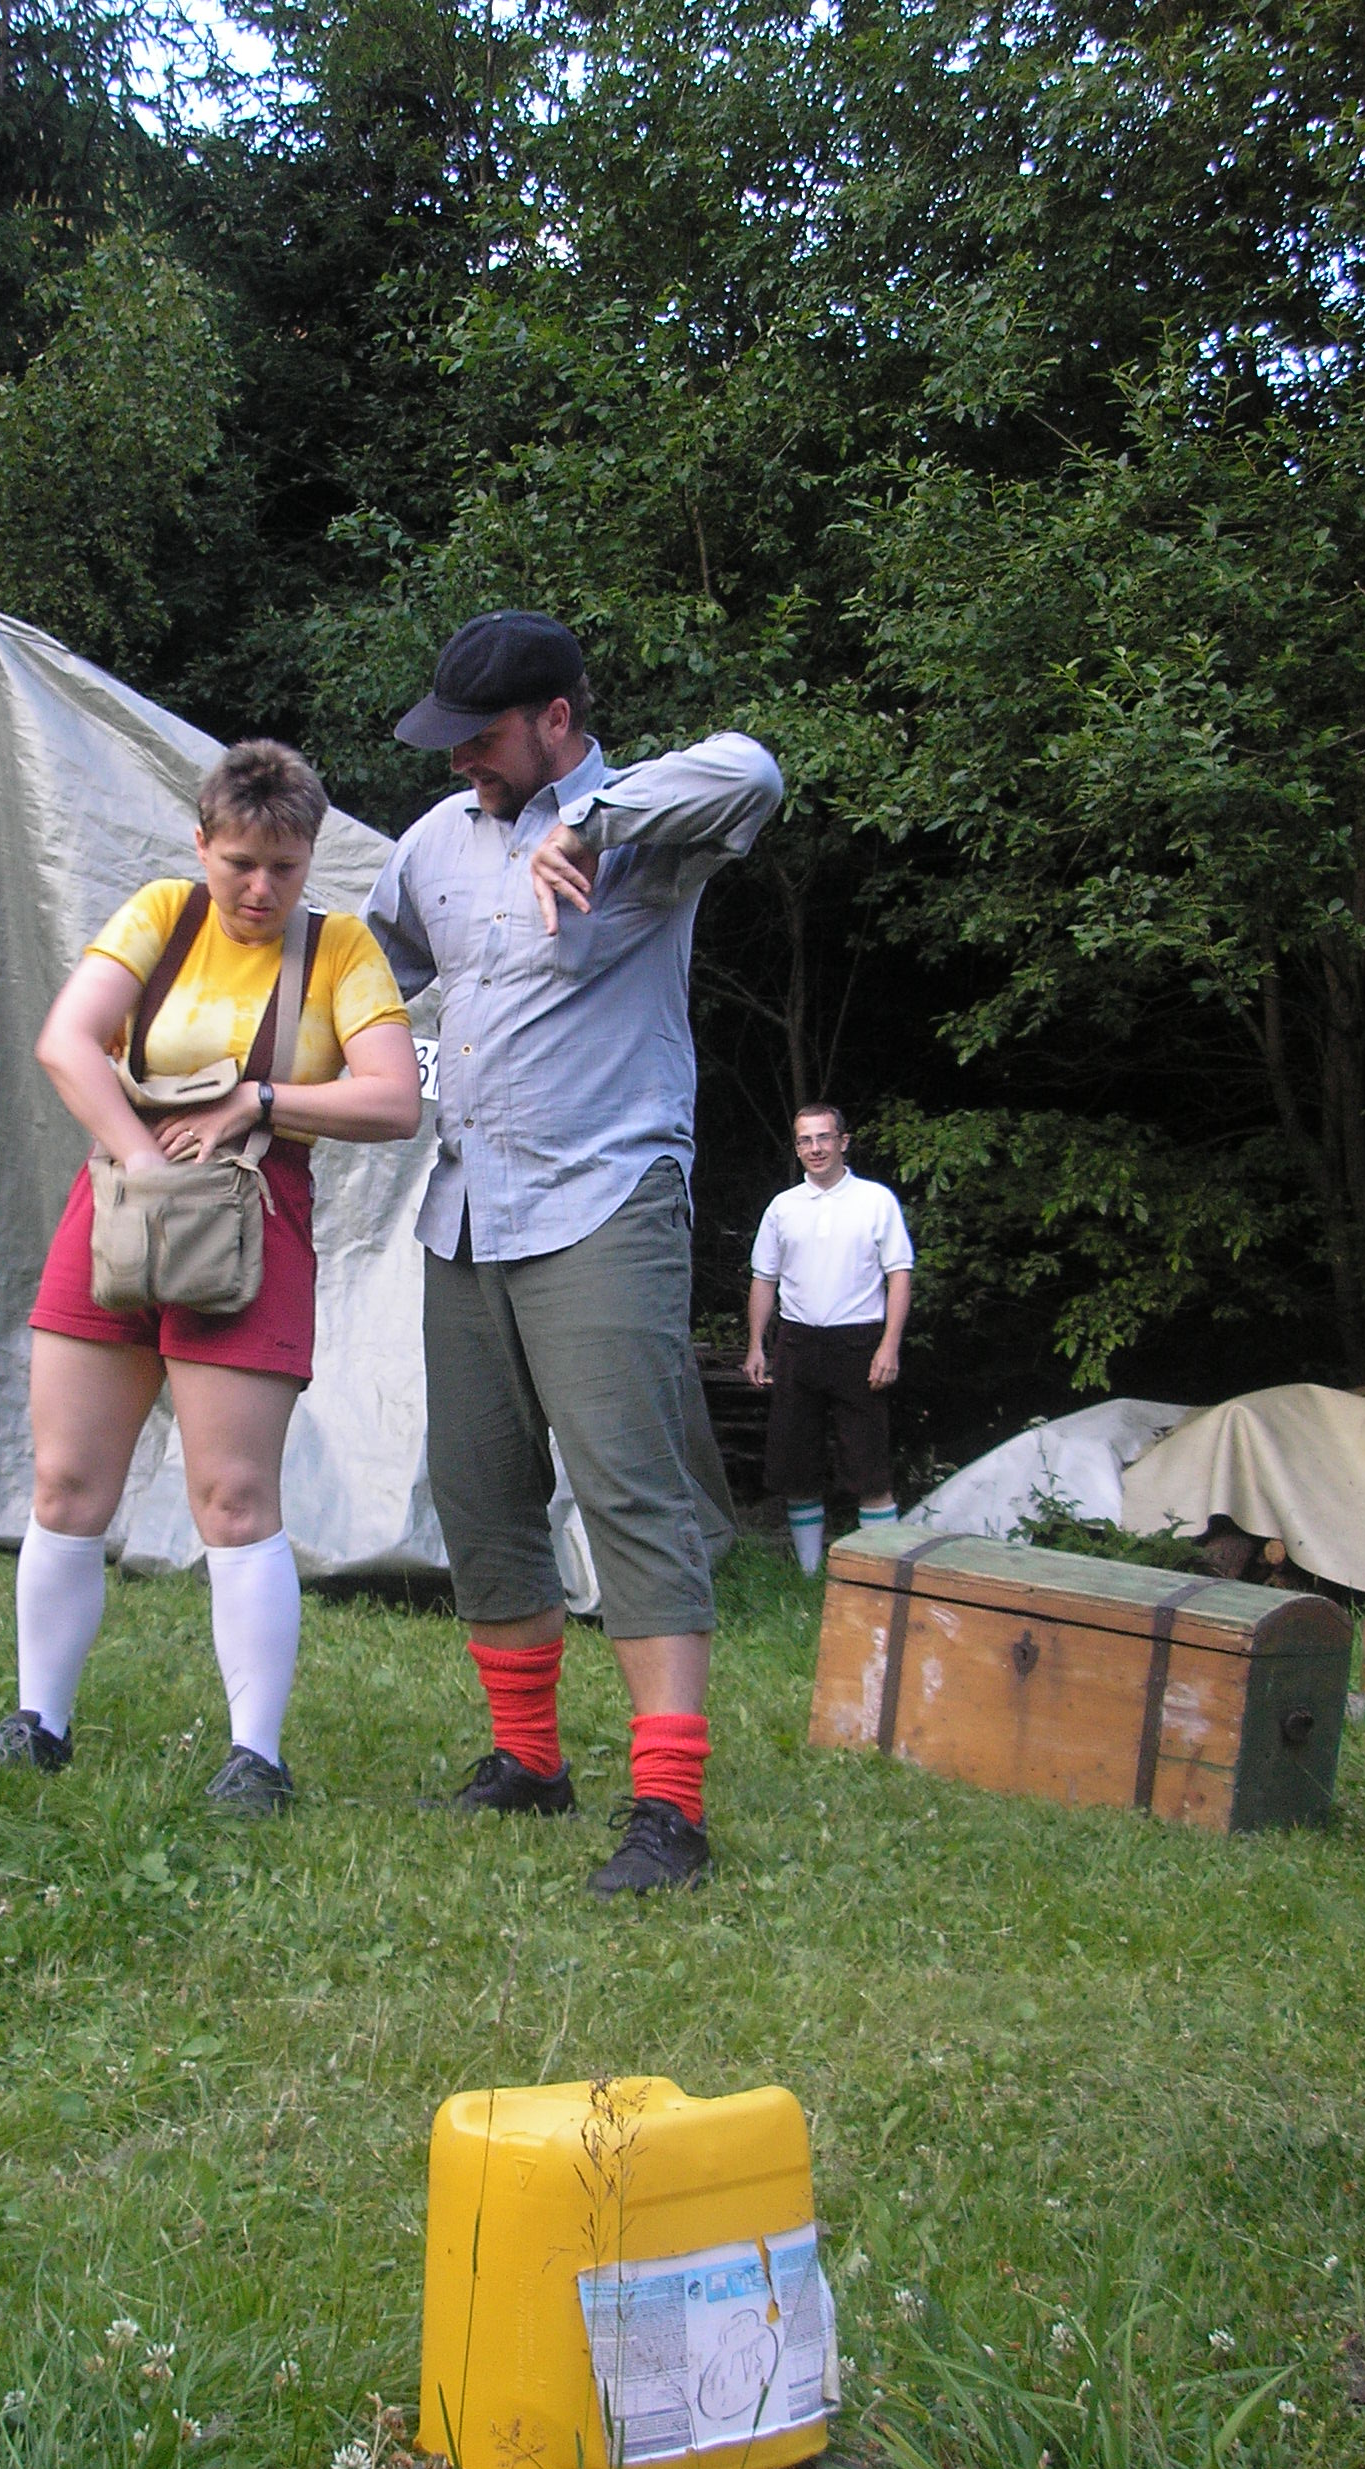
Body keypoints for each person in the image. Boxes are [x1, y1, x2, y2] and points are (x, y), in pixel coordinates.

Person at [366, 610, 784, 1896]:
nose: (458, 761)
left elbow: (755, 769)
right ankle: (529, 1762)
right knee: (481, 1494)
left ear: (557, 719)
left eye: (480, 737)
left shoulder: (646, 825)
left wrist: (590, 825)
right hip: (465, 1212)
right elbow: (365, 972)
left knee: (630, 1494)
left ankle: (670, 1810)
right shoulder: (434, 844)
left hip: (604, 1202)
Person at [0, 740, 421, 1807]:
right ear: (202, 845)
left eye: (285, 867)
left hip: (255, 1218)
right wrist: (140, 1159)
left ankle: (255, 1757)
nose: (260, 889)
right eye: (240, 864)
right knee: (65, 1481)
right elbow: (67, 1042)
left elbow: (394, 1099)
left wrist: (257, 1102)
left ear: (310, 859)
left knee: (234, 1494)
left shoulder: (340, 948)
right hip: (119, 1212)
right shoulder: (162, 914)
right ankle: (39, 1722)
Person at [743, 1102, 914, 1576]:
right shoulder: (783, 1208)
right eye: (805, 1140)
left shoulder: (875, 1200)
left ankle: (881, 1577)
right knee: (797, 1468)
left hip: (860, 1345)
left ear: (843, 1141)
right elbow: (764, 1279)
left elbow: (899, 1274)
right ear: (797, 1148)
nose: (815, 1148)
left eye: (823, 1137)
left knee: (869, 1467)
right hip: (797, 1346)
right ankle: (808, 1574)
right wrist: (756, 1344)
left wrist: (889, 1345)